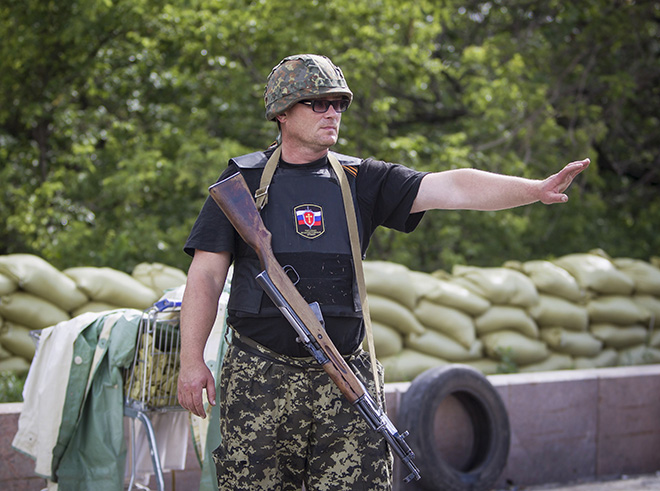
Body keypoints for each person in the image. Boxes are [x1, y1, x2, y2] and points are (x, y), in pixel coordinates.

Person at [177, 53, 589, 490]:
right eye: (318, 103)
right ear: (281, 112)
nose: (332, 112)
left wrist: (534, 190)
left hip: (346, 375)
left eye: (339, 102)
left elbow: (451, 186)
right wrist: (191, 361)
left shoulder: (361, 179)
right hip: (260, 374)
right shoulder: (242, 181)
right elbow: (205, 276)